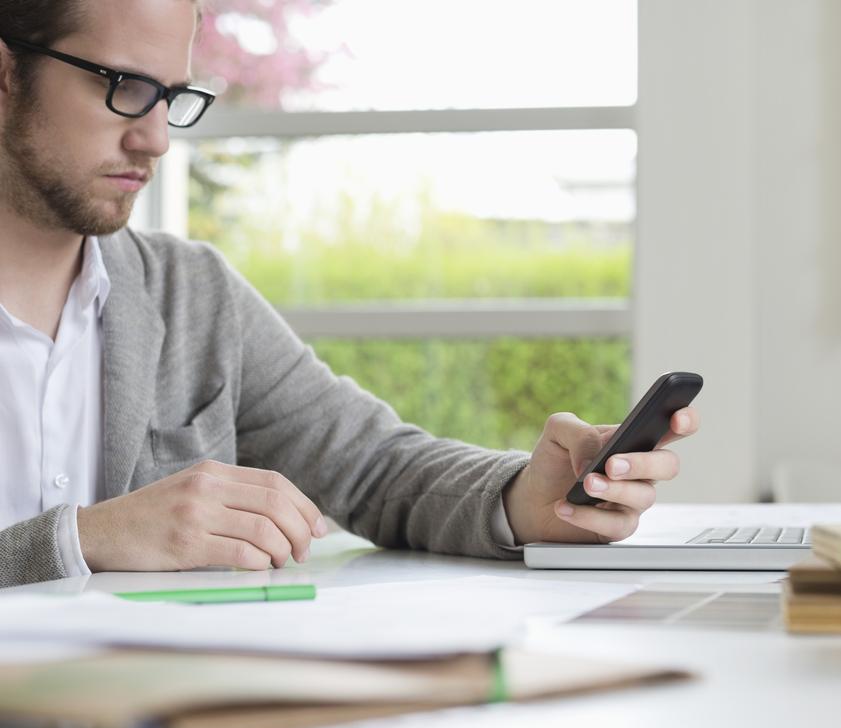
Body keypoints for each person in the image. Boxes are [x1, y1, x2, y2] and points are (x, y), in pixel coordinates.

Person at [0, 0, 699, 589]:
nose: (155, 138)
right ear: (6, 74)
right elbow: (88, 543)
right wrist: (83, 540)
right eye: (122, 84)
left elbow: (373, 465)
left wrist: (525, 501)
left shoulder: (192, 293)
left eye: (171, 97)